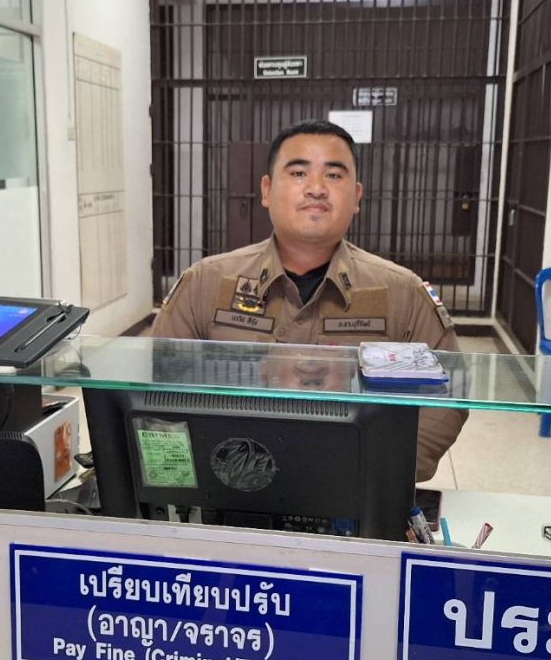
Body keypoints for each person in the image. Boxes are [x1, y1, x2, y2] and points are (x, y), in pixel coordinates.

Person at [151, 119, 467, 479]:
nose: (316, 188)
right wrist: (215, 472)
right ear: (267, 190)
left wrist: (374, 470)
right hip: (229, 485)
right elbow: (159, 390)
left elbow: (447, 398)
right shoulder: (206, 283)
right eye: (299, 173)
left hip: (359, 486)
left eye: (333, 175)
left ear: (357, 197)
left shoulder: (401, 292)